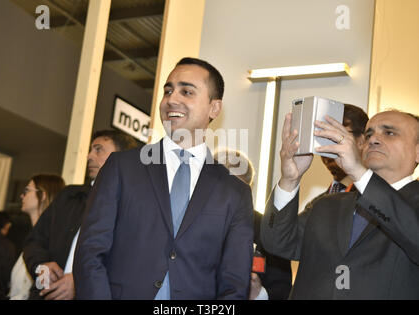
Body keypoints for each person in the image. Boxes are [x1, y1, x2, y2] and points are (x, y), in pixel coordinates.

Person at [74, 57, 254, 300]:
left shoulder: (234, 192)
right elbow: (90, 252)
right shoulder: (122, 167)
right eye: (168, 90)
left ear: (214, 108)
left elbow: (234, 283)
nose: (172, 99)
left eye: (186, 91)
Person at [261, 109, 419, 299]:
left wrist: (359, 173)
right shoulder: (327, 205)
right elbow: (277, 243)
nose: (373, 140)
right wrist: (289, 179)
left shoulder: (412, 211)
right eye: (369, 134)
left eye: (389, 133)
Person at [23, 130, 137, 300]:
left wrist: (81, 281)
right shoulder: (68, 196)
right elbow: (35, 241)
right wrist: (41, 265)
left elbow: (131, 262)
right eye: (91, 150)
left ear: (122, 157)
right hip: (45, 294)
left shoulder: (135, 207)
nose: (90, 156)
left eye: (98, 150)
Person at [213, 149, 292, 300]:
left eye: (235, 188)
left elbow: (283, 290)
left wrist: (260, 294)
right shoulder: (188, 222)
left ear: (247, 189)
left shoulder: (268, 230)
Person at [9, 174, 65, 300]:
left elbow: (43, 289)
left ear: (43, 195)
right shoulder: (33, 242)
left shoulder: (50, 245)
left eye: (27, 191)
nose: (21, 196)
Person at [319, 104, 368, 195]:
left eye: (337, 137)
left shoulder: (377, 198)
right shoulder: (315, 204)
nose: (327, 147)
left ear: (362, 141)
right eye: (323, 138)